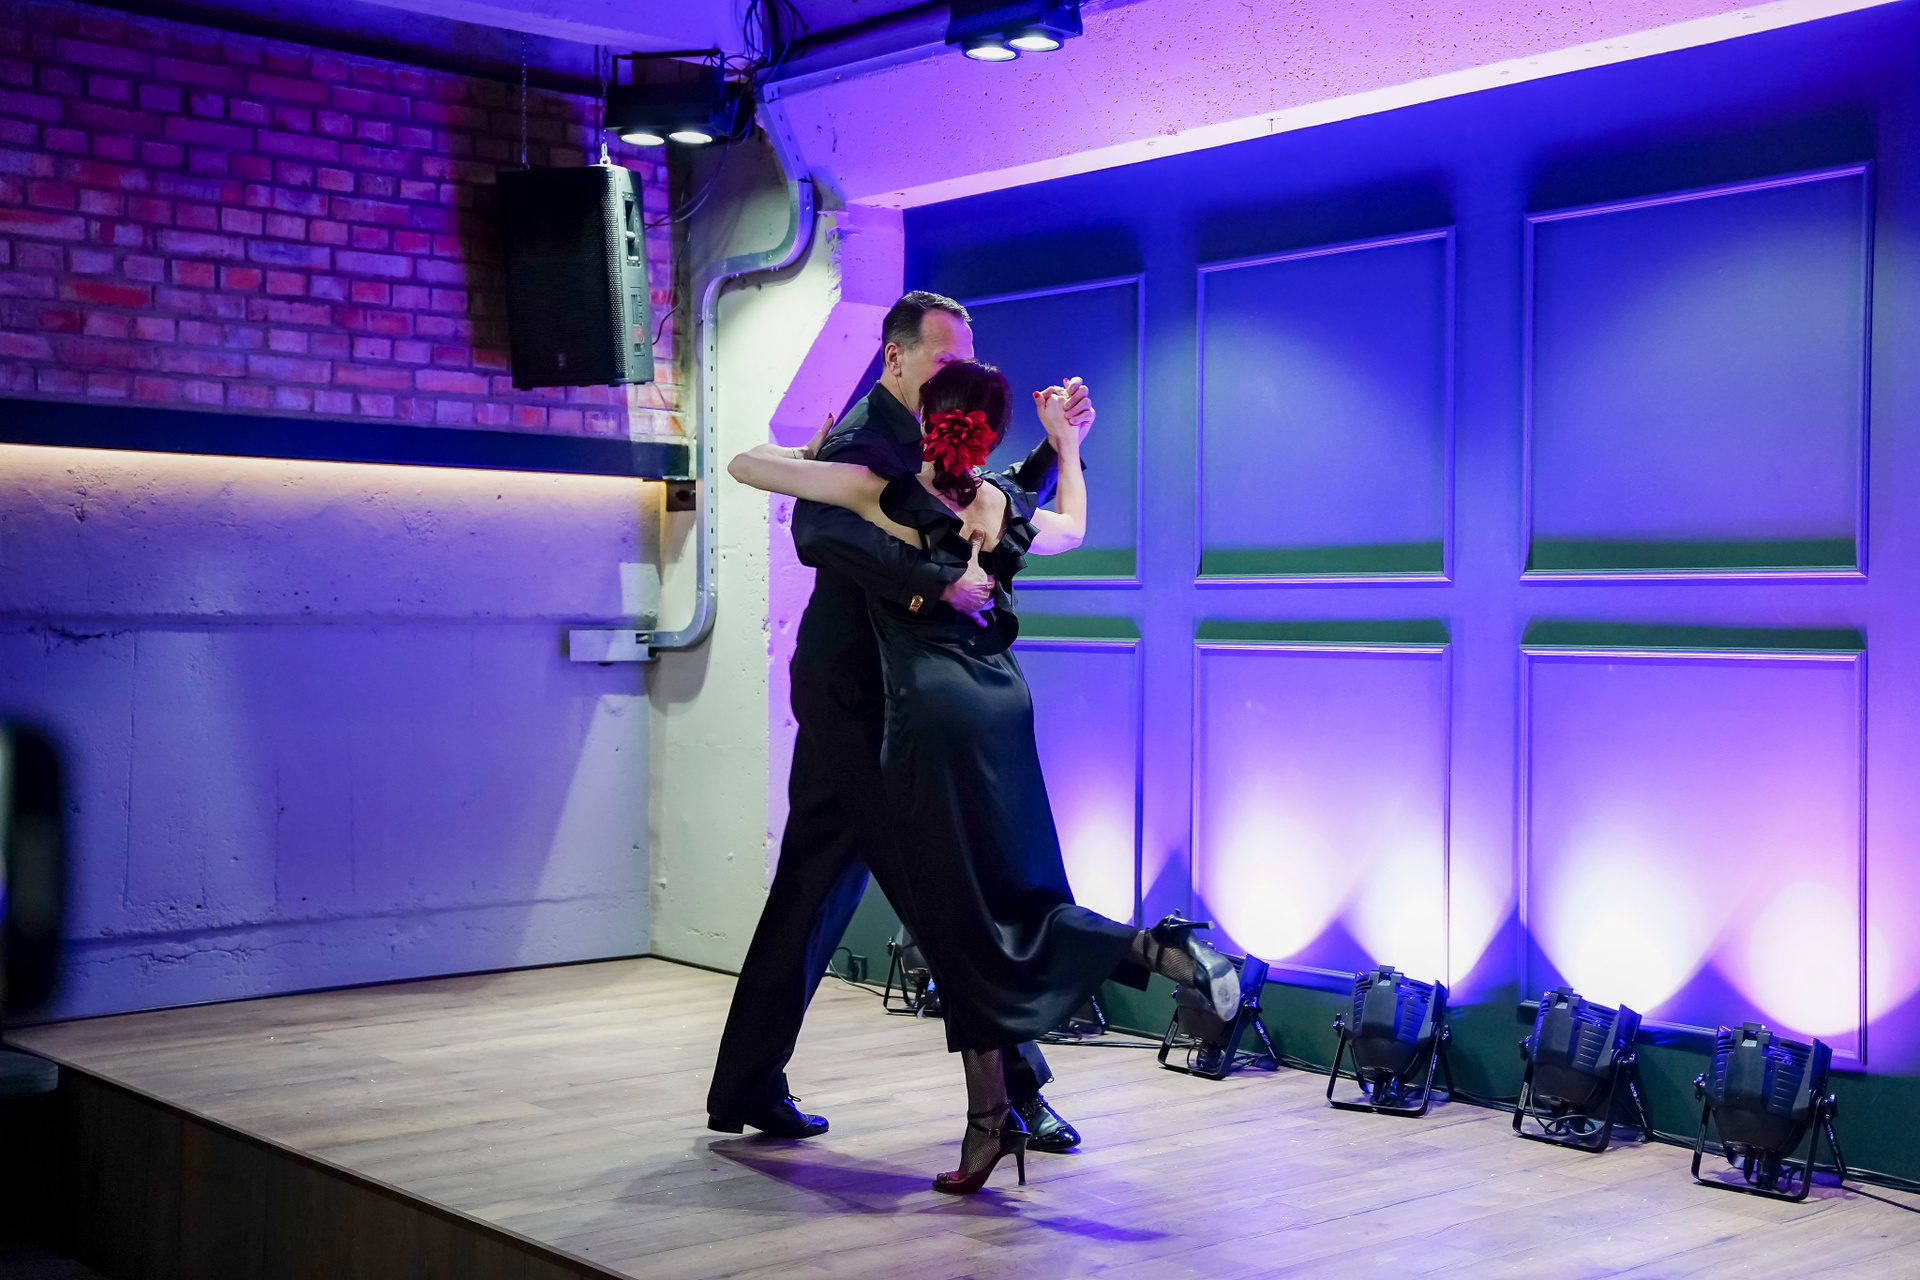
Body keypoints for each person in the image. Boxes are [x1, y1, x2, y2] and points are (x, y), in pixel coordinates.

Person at [729, 358, 1243, 1194]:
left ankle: (1143, 958)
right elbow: (1072, 526)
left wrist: (810, 452)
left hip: (929, 715)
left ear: (925, 420)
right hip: (1002, 703)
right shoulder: (1000, 501)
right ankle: (1002, 1108)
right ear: (989, 434)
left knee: (964, 914)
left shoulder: (879, 492)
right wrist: (1063, 446)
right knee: (1013, 897)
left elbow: (747, 467)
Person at [703, 293, 1095, 1152]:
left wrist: (1054, 449)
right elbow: (819, 534)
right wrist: (935, 584)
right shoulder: (860, 437)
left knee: (811, 887)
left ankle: (746, 1084)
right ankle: (1015, 1092)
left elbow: (975, 507)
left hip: (872, 693)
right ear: (895, 357)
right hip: (861, 699)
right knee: (942, 891)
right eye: (944, 358)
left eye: (965, 360)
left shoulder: (922, 433)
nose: (956, 373)